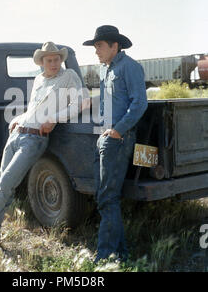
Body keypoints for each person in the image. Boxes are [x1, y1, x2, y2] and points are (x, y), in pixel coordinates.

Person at [0, 41, 89, 245]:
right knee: (3, 185)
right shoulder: (38, 80)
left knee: (5, 184)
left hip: (34, 140)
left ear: (61, 60)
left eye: (57, 60)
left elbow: (83, 103)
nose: (54, 64)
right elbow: (34, 107)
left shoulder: (68, 77)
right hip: (16, 134)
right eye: (49, 60)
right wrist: (20, 117)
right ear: (42, 62)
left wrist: (55, 118)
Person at [83, 25, 148, 263]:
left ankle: (104, 257)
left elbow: (139, 103)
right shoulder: (105, 69)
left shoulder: (130, 67)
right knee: (103, 196)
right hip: (106, 138)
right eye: (95, 46)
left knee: (108, 197)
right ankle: (119, 253)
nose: (96, 51)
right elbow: (105, 104)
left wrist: (118, 131)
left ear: (114, 45)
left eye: (99, 46)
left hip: (118, 140)